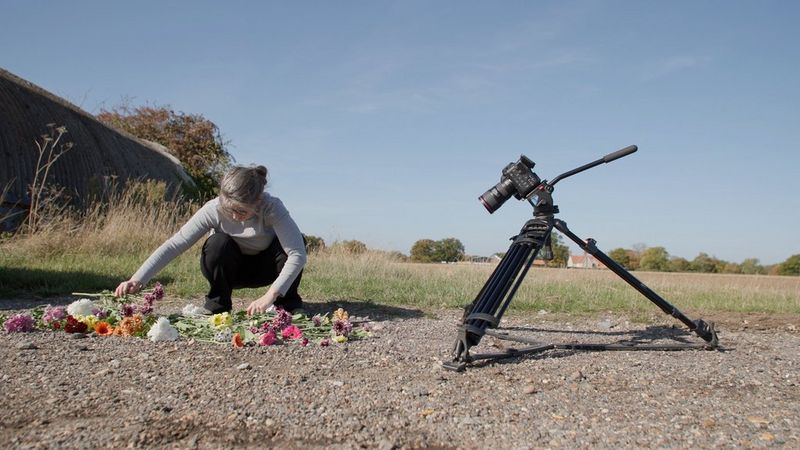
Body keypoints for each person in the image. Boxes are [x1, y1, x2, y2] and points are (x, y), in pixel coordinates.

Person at [114, 165, 307, 315]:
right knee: (218, 243)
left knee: (294, 242)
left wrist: (269, 296)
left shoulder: (271, 207)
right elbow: (175, 243)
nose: (233, 215)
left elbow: (297, 254)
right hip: (229, 269)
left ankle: (287, 305)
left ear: (258, 201)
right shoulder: (214, 208)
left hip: (266, 269)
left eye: (241, 211)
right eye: (228, 208)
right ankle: (218, 305)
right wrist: (138, 279)